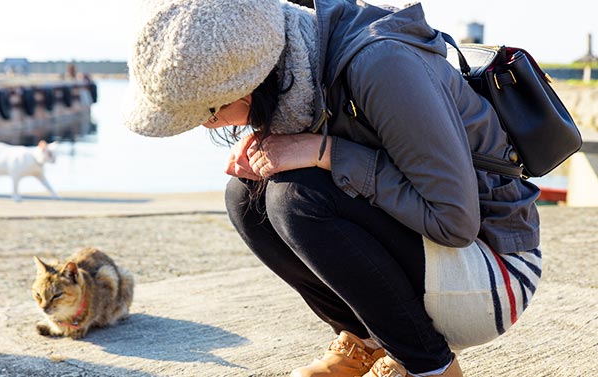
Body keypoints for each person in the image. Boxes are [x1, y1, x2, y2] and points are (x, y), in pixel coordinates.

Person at [124, 0, 542, 376]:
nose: (208, 124)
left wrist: (324, 150)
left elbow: (455, 222)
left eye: (210, 109)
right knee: (246, 194)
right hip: (440, 263)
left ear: (250, 80)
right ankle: (365, 342)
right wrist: (275, 140)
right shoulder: (301, 62)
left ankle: (428, 367)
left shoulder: (382, 64)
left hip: (494, 273)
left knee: (296, 198)